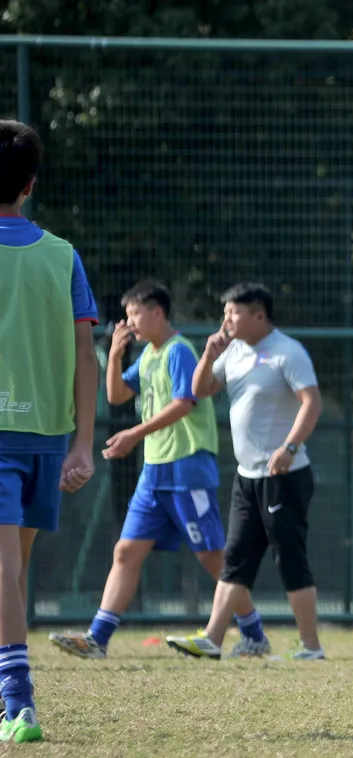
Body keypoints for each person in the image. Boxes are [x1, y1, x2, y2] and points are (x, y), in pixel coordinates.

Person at [49, 283, 268, 659]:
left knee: (212, 557)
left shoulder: (178, 351)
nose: (129, 322)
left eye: (134, 313)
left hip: (187, 466)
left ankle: (253, 634)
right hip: (154, 472)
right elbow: (117, 395)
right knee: (126, 551)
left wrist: (134, 433)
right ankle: (98, 639)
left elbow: (185, 402)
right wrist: (115, 355)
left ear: (157, 313)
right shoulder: (149, 355)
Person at [0, 120, 99, 743]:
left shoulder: (65, 256)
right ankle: (13, 692)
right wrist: (84, 443)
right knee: (10, 570)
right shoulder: (63, 254)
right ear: (31, 185)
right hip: (48, 437)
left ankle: (17, 703)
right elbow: (85, 353)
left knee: (8, 570)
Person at [166, 283, 325, 660]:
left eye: (233, 313)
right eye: (225, 313)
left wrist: (289, 447)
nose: (227, 320)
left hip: (284, 477)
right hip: (246, 477)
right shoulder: (232, 350)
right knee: (235, 557)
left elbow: (312, 403)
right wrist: (208, 354)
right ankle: (213, 640)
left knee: (290, 559)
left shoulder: (288, 352)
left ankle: (312, 647)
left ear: (258, 315)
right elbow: (200, 389)